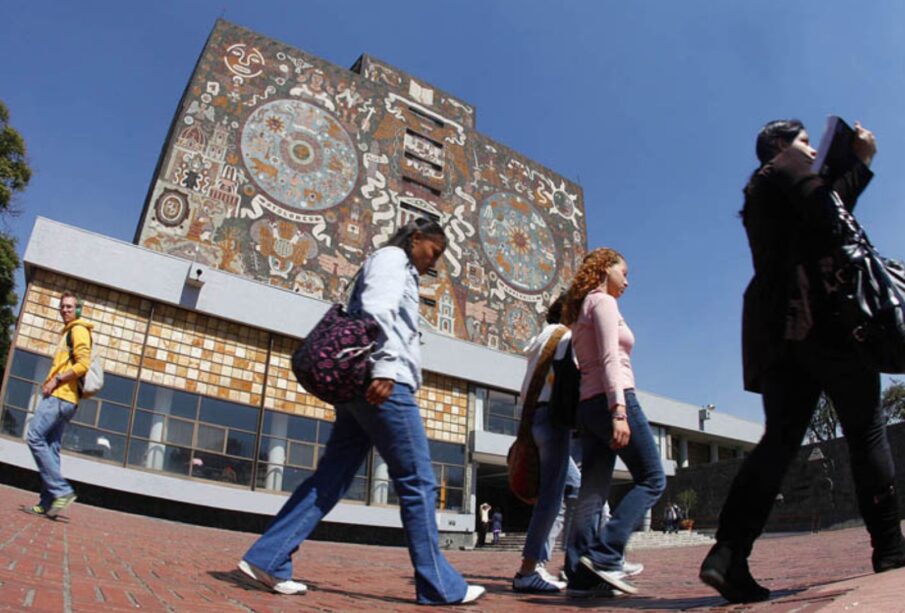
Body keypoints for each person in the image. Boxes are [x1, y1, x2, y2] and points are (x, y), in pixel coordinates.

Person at [700, 119, 905, 604]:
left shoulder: (762, 191)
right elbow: (833, 221)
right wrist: (858, 159)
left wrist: (859, 166)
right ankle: (891, 548)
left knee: (780, 442)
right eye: (806, 142)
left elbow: (818, 216)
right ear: (782, 144)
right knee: (867, 429)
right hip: (827, 321)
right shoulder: (787, 164)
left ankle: (728, 553)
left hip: (781, 334)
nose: (812, 152)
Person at [238, 218, 485, 605]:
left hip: (359, 386)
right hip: (384, 384)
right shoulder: (392, 259)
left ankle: (268, 557)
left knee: (331, 478)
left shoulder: (391, 262)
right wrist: (386, 367)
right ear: (416, 239)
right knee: (418, 481)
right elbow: (377, 311)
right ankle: (439, 584)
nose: (432, 263)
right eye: (433, 252)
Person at [561, 248, 665, 597]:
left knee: (592, 492)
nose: (628, 281)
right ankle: (606, 554)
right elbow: (609, 358)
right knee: (652, 478)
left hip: (588, 406)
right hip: (611, 399)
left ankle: (578, 574)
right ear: (605, 269)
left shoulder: (580, 310)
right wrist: (619, 410)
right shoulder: (603, 302)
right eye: (624, 272)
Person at [511, 295, 571, 593]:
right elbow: (572, 378)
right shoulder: (565, 336)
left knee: (572, 485)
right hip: (552, 418)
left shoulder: (542, 337)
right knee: (551, 496)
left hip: (533, 418)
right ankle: (527, 569)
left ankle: (555, 562)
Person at [26, 291, 93, 518]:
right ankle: (48, 503)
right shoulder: (68, 332)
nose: (65, 310)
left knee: (34, 436)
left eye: (69, 306)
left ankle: (62, 490)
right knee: (51, 448)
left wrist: (55, 380)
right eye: (62, 307)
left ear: (78, 309)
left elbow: (83, 364)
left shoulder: (78, 330)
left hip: (61, 396)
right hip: (66, 400)